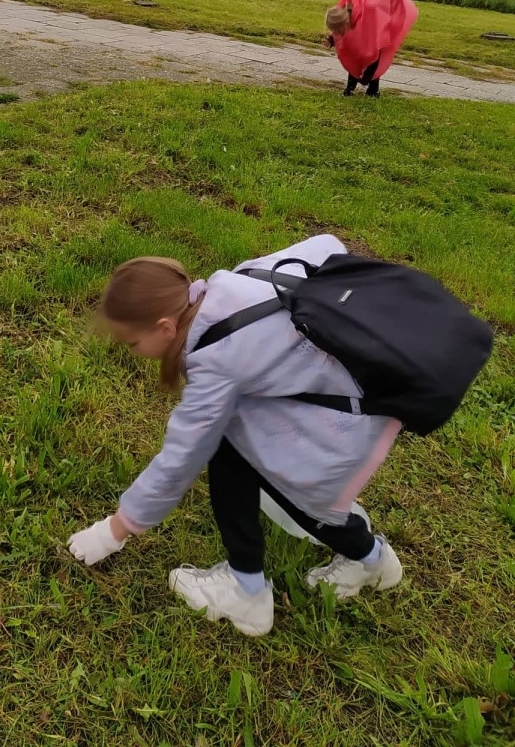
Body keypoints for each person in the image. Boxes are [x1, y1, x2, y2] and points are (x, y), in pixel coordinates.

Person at [67, 234, 403, 637]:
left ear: (165, 327)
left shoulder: (218, 359)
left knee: (286, 487)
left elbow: (180, 459)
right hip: (349, 403)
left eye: (132, 343)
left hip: (341, 425)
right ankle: (306, 570)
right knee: (240, 452)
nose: (133, 353)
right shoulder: (230, 284)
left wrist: (112, 531)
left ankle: (347, 566)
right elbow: (325, 244)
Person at [325, 0, 418, 97]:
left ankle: (372, 90)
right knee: (355, 53)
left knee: (373, 54)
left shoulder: (368, 14)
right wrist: (332, 39)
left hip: (381, 18)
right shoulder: (344, 11)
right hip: (373, 11)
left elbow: (372, 48)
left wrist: (365, 78)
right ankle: (353, 88)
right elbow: (343, 36)